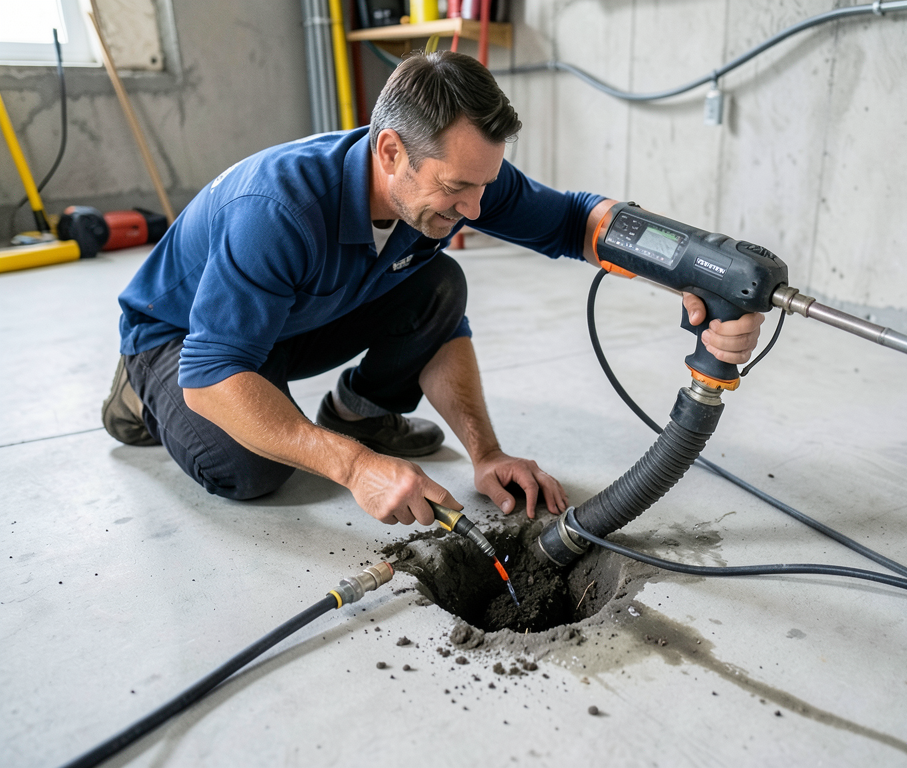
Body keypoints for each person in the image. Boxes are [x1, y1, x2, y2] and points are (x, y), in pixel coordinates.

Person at [101, 51, 764, 528]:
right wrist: (355, 467)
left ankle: (357, 413)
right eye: (457, 188)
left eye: (484, 185)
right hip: (183, 341)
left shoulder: (457, 177)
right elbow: (212, 373)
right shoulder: (277, 210)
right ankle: (137, 393)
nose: (476, 209)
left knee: (437, 284)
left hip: (288, 319)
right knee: (252, 471)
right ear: (390, 152)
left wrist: (695, 267)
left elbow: (572, 220)